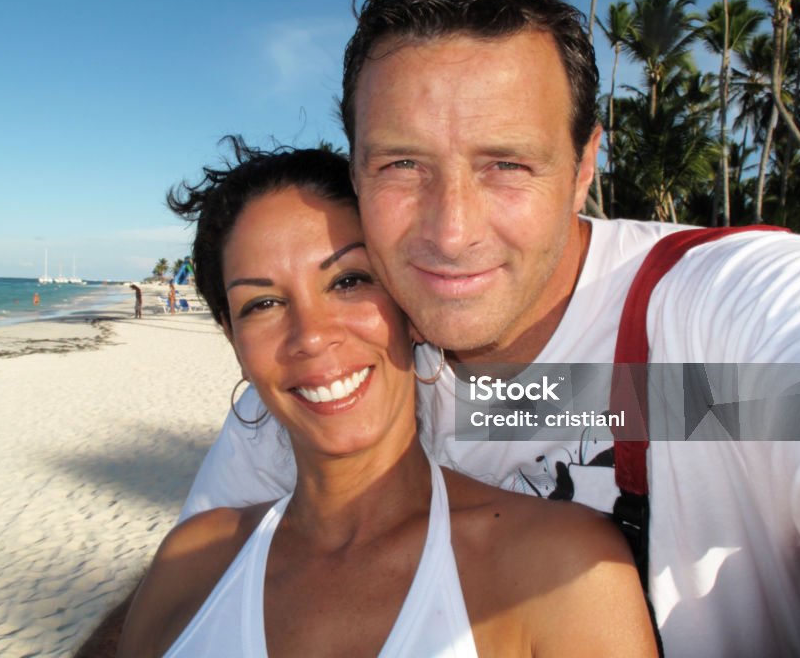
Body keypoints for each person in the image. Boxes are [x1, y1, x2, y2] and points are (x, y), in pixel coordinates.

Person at [181, 0, 800, 657]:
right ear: (355, 170)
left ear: (584, 166)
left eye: (506, 164)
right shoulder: (349, 365)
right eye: (400, 166)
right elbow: (201, 594)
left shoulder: (705, 315)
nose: (451, 233)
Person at [118, 144, 656, 657]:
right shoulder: (194, 555)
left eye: (349, 280)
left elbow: (711, 403)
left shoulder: (556, 554)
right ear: (234, 340)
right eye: (262, 303)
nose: (310, 335)